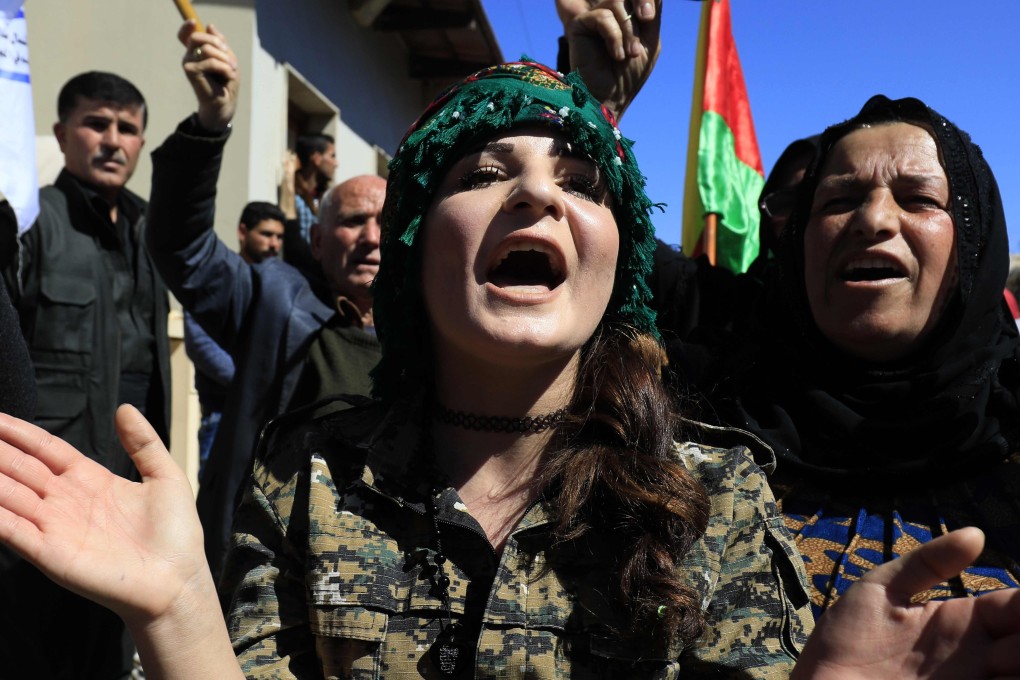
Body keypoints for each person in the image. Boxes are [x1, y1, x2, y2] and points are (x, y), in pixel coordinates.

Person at [2, 14, 1020, 680]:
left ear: (618, 262)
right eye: (486, 171)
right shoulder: (305, 477)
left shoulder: (715, 493)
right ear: (412, 250)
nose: (538, 193)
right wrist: (180, 613)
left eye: (581, 182)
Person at [700, 94, 1020, 619]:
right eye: (837, 201)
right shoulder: (688, 434)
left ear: (973, 245)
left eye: (918, 198)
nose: (872, 219)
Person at [145, 24, 382, 577]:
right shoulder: (274, 300)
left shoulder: (441, 329)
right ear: (319, 242)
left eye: (386, 223)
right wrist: (212, 123)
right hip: (272, 575)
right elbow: (181, 247)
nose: (372, 237)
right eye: (352, 222)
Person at [0, 69, 170, 679]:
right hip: (39, 493)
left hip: (125, 493)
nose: (112, 139)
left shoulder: (153, 231)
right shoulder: (27, 223)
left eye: (127, 128)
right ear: (61, 133)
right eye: (96, 123)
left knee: (107, 651)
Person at [183, 201, 285, 477]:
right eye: (266, 234)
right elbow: (201, 345)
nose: (274, 244)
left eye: (279, 236)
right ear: (243, 232)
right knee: (217, 512)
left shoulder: (285, 287)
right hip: (223, 414)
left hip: (270, 421)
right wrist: (253, 383)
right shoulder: (218, 278)